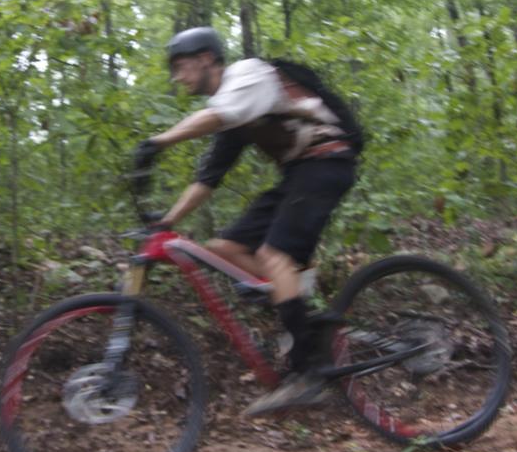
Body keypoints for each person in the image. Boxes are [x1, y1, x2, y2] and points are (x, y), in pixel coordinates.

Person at [132, 26, 359, 415]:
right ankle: (303, 321)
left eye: (182, 67)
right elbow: (207, 181)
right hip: (300, 173)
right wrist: (165, 222)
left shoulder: (249, 75)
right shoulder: (233, 111)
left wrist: (160, 141)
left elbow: (218, 115)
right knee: (225, 249)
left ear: (207, 60)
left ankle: (307, 374)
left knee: (274, 255)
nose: (178, 77)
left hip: (328, 161)